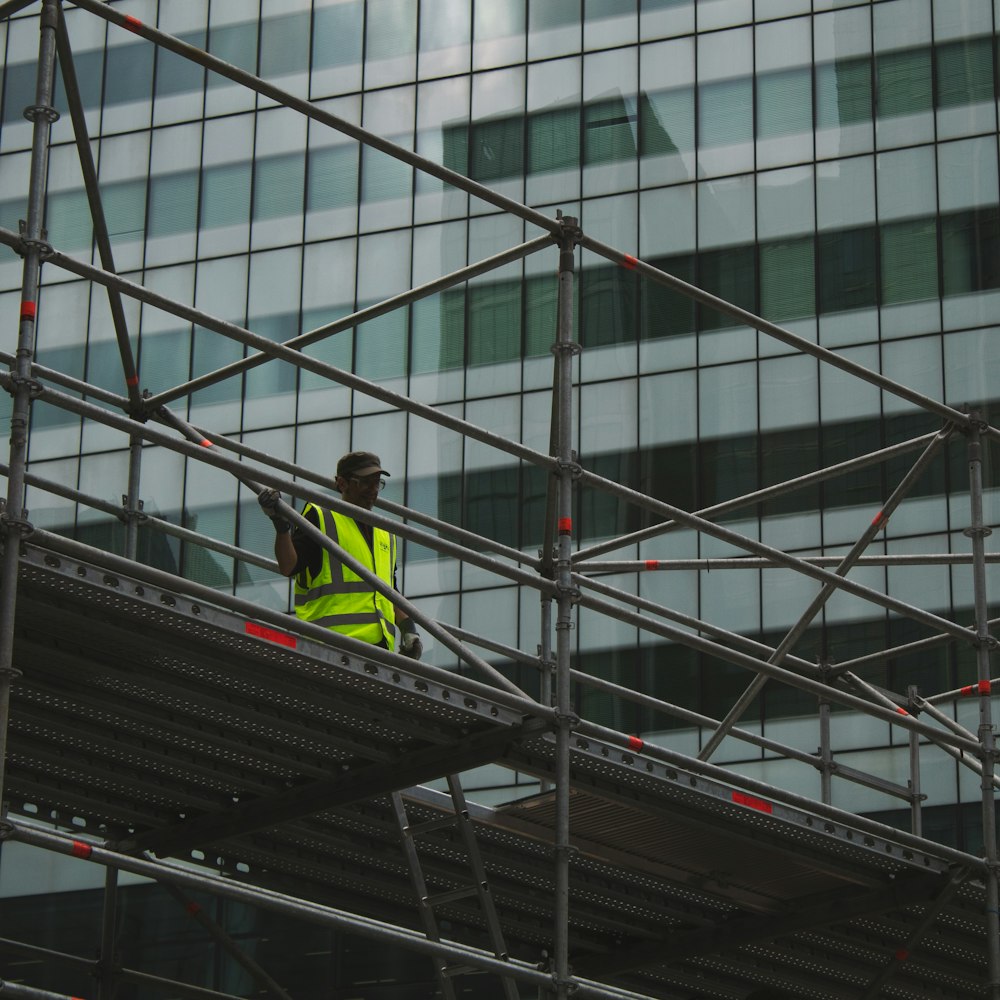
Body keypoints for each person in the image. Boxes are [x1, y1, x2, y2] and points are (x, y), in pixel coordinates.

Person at [258, 451, 422, 659]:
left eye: (377, 483)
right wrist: (281, 527)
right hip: (331, 645)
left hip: (379, 650)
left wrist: (409, 630)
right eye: (364, 483)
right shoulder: (320, 517)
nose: (373, 490)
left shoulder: (384, 533)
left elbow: (389, 590)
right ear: (342, 483)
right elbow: (289, 566)